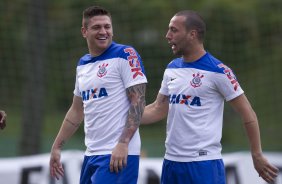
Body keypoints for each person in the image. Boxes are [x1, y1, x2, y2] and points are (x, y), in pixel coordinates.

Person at [141, 10, 279, 184]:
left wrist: (256, 154)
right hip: (171, 163)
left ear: (192, 34)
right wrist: (124, 115)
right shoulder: (172, 68)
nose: (167, 35)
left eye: (174, 30)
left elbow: (248, 113)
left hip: (203, 165)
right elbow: (158, 108)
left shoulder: (219, 71)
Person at [49, 6, 147, 184]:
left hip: (117, 153)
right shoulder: (83, 64)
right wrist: (56, 147)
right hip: (91, 153)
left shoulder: (125, 54)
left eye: (107, 26)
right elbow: (76, 110)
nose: (103, 31)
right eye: (97, 27)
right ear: (84, 31)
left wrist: (123, 143)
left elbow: (138, 101)